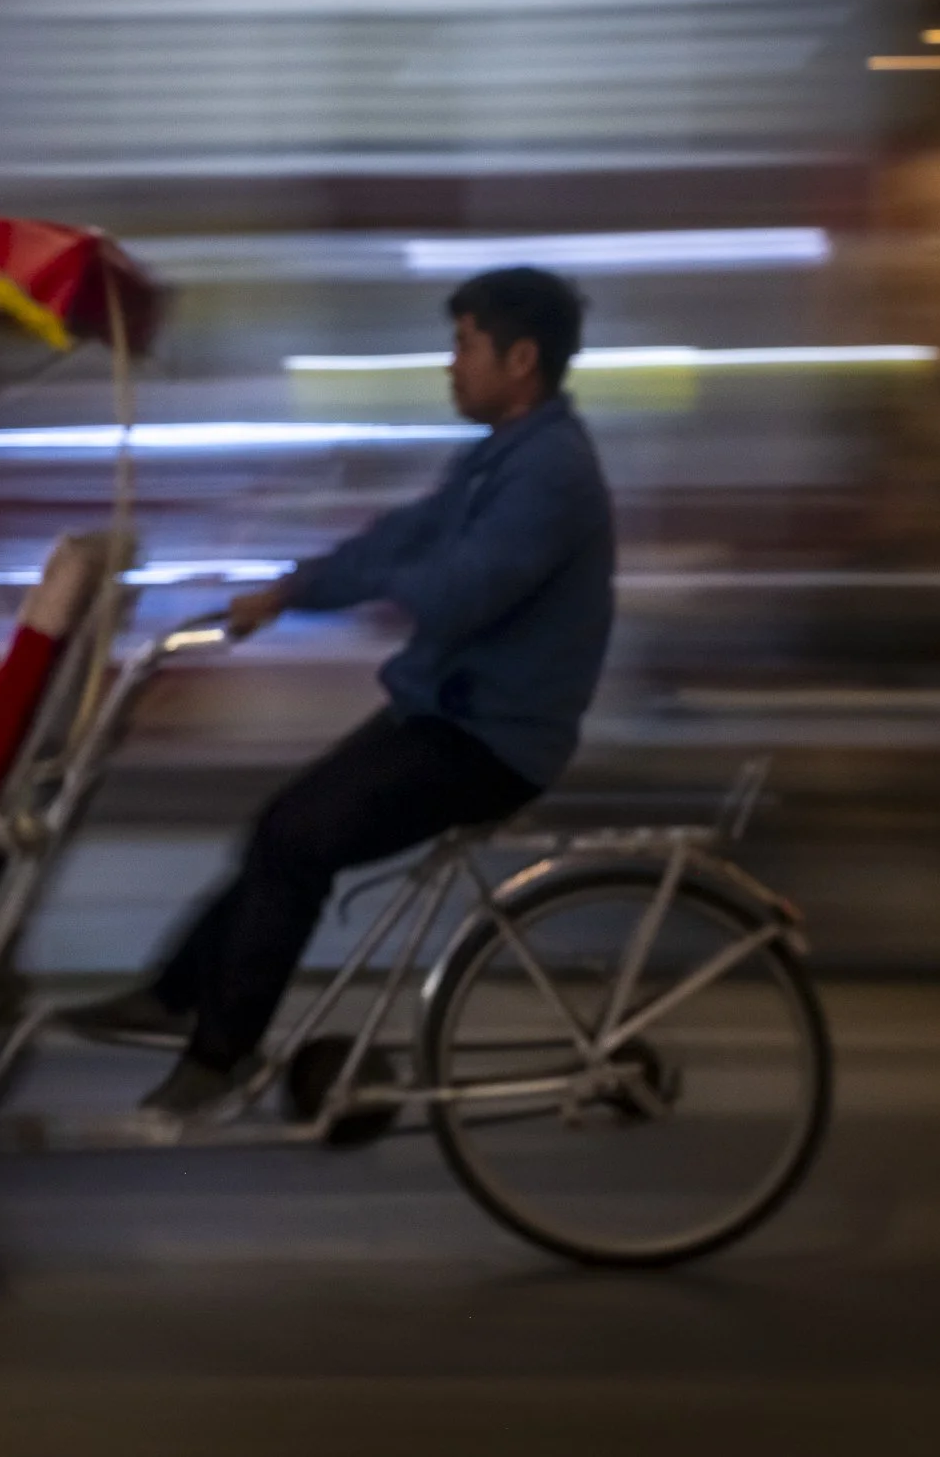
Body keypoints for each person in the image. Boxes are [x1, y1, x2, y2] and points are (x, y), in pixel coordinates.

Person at [71, 265, 616, 1119]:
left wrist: (381, 584)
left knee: (296, 840)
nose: (451, 364)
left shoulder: (549, 474)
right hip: (445, 715)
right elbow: (399, 539)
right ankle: (175, 994)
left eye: (464, 345)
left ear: (521, 359)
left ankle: (217, 1056)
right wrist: (293, 590)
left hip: (491, 741)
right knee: (277, 829)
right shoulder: (499, 460)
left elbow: (461, 588)